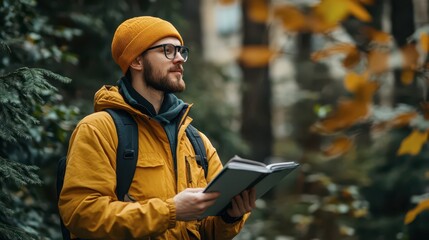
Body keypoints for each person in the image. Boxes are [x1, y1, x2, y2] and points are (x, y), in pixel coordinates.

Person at [58, 16, 256, 239]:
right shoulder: (98, 129)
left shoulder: (196, 141)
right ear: (137, 61)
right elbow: (81, 214)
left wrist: (230, 217)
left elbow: (208, 232)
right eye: (168, 51)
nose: (180, 58)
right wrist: (171, 210)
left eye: (181, 51)